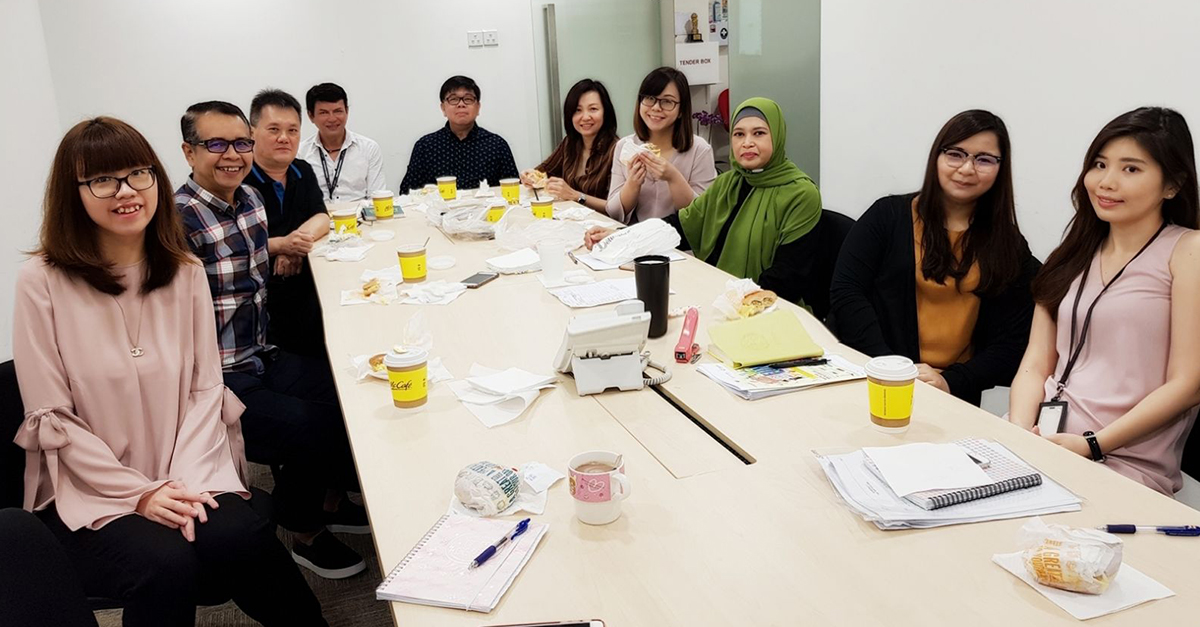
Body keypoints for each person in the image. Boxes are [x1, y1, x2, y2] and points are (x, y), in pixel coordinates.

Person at [12, 116, 327, 625]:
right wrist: (141, 493)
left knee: (238, 536)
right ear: (73, 194)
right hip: (96, 482)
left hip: (190, 464)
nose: (126, 192)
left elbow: (206, 390)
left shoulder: (182, 270)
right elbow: (51, 416)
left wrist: (180, 480)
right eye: (101, 180)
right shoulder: (41, 281)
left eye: (140, 173)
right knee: (166, 562)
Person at [176, 101, 368, 579]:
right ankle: (301, 529)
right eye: (215, 144)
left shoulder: (250, 202)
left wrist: (284, 248)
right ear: (188, 151)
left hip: (261, 353)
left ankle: (326, 497)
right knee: (311, 425)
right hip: (215, 377)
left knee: (351, 388)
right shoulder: (177, 221)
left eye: (239, 143)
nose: (232, 154)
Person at [1009, 107, 1200, 495]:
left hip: (1119, 463)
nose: (1106, 182)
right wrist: (1016, 433)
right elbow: (1036, 361)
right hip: (1037, 441)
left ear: (1172, 184)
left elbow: (1188, 384)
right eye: (1099, 164)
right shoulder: (1072, 253)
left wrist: (1092, 444)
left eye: (1131, 169)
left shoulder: (1188, 251)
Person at [829, 110, 1039, 406]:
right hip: (876, 379)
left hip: (951, 394)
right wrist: (893, 369)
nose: (967, 168)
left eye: (984, 159)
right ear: (936, 157)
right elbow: (847, 293)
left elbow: (1012, 340)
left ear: (1000, 168)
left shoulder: (1008, 245)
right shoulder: (887, 216)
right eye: (956, 154)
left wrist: (951, 380)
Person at [585, 98, 824, 307]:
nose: (747, 142)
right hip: (716, 297)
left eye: (759, 133)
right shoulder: (729, 182)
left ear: (778, 136)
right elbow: (680, 225)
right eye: (739, 134)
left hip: (764, 309)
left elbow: (787, 279)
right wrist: (621, 236)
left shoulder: (801, 193)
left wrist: (728, 304)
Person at [246, 88, 330, 358]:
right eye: (274, 129)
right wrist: (281, 245)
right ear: (252, 132)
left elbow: (322, 217)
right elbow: (233, 243)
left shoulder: (301, 170)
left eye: (293, 131)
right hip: (257, 295)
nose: (284, 138)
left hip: (304, 284)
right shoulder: (238, 179)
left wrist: (293, 244)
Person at [605, 66, 716, 224]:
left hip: (680, 246)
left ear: (681, 110)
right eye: (650, 98)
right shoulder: (625, 146)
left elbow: (702, 215)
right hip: (637, 242)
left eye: (667, 101)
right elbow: (614, 213)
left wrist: (673, 177)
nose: (656, 107)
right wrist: (633, 184)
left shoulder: (699, 150)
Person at [399, 75, 519, 194]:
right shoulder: (425, 146)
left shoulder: (497, 145)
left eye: (468, 99)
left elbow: (514, 190)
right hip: (439, 212)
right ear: (443, 108)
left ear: (478, 107)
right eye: (453, 99)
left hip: (487, 212)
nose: (461, 104)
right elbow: (407, 192)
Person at [520, 78, 618, 213]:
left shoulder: (617, 149)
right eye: (578, 110)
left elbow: (618, 208)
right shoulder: (570, 142)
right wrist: (530, 176)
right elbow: (544, 171)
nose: (585, 117)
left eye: (593, 109)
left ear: (606, 113)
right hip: (570, 221)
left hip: (603, 227)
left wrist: (576, 196)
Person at [298, 82, 385, 201]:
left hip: (359, 217)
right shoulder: (300, 154)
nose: (332, 119)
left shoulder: (369, 148)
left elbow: (377, 197)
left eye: (338, 111)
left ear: (347, 111)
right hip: (319, 217)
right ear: (311, 116)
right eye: (324, 113)